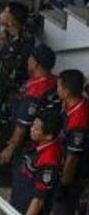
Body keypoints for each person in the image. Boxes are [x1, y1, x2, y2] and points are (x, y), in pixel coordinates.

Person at [0, 2, 37, 186]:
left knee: (3, 135)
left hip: (11, 98)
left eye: (5, 12)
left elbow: (16, 75)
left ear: (11, 18)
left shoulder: (25, 43)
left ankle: (1, 173)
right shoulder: (9, 36)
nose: (1, 14)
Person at [0, 45, 60, 175]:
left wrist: (10, 149)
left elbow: (23, 125)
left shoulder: (36, 92)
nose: (28, 61)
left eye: (30, 58)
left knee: (21, 174)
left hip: (29, 142)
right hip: (44, 139)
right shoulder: (54, 81)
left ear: (36, 63)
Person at [10, 111, 62, 215]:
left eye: (37, 129)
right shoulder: (37, 143)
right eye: (33, 125)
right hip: (17, 202)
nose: (32, 129)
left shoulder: (49, 160)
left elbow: (38, 200)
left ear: (48, 136)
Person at [53, 69, 88, 214]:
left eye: (59, 86)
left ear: (66, 91)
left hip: (75, 175)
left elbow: (72, 159)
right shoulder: (72, 105)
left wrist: (64, 185)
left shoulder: (78, 120)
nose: (57, 89)